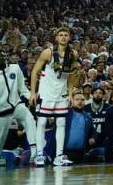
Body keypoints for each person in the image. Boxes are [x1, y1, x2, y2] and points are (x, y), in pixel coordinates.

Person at [29, 27, 79, 166]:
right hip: (46, 92)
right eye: (60, 35)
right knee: (42, 122)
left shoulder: (73, 54)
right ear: (56, 38)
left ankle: (59, 156)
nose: (63, 37)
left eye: (66, 35)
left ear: (69, 38)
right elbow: (34, 72)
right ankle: (39, 155)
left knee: (61, 124)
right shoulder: (48, 52)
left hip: (61, 92)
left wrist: (70, 94)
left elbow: (72, 75)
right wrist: (33, 92)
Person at [0, 49, 37, 169]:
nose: (0, 58)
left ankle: (34, 150)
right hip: (0, 111)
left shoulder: (15, 68)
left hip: (16, 104)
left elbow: (22, 88)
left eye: (2, 55)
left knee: (29, 117)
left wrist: (31, 97)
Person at [63, 92, 94, 164]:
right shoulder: (65, 114)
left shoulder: (88, 117)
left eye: (82, 100)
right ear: (72, 101)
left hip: (80, 154)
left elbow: (92, 132)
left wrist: (92, 137)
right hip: (65, 153)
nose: (80, 101)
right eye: (77, 99)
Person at [84, 86, 110, 152]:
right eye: (95, 93)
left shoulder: (109, 108)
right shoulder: (85, 108)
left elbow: (110, 126)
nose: (98, 95)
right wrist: (89, 137)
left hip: (104, 139)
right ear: (92, 95)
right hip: (89, 140)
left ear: (103, 95)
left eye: (100, 93)